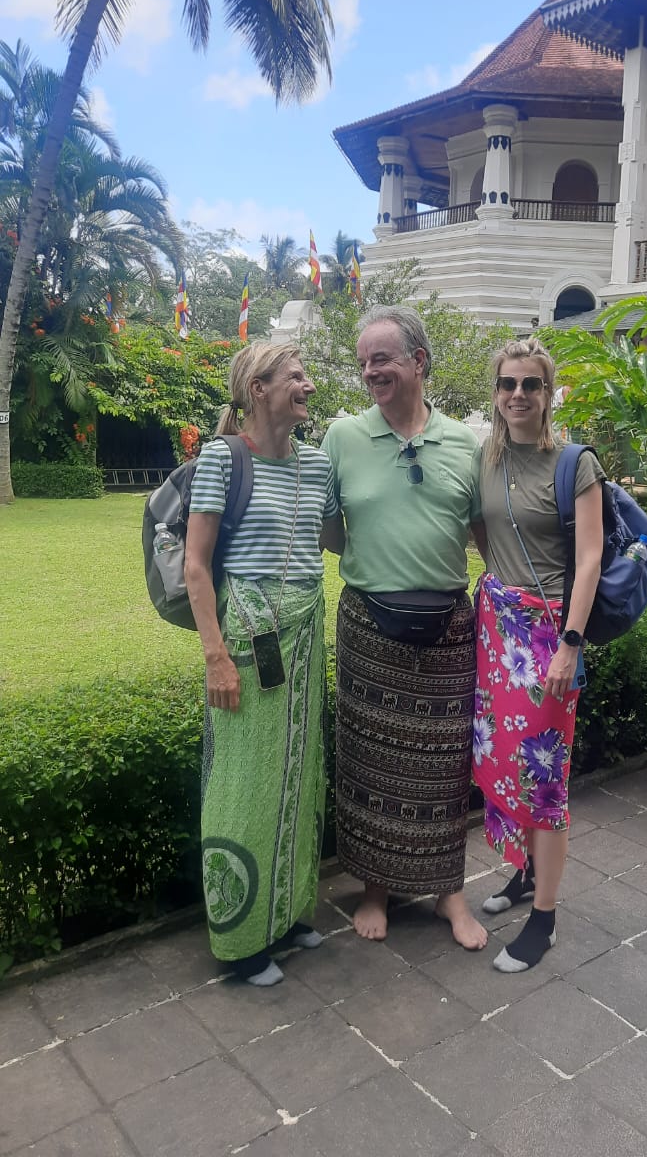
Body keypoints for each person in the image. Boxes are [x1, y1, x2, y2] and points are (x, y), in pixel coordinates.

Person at [321, 306, 488, 950]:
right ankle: (374, 890)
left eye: (383, 359)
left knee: (445, 768)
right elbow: (328, 527)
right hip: (370, 623)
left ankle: (450, 894)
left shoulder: (463, 444)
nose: (371, 372)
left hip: (447, 628)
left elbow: (482, 533)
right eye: (364, 362)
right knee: (369, 765)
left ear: (419, 361)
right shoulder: (343, 439)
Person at [184, 342, 338, 986]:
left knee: (301, 777)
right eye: (294, 377)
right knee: (243, 785)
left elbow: (336, 539)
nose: (306, 385)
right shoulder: (223, 458)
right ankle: (242, 939)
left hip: (303, 637)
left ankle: (289, 913)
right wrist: (215, 655)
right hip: (246, 641)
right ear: (258, 389)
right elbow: (196, 564)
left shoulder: (320, 464)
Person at [473, 339, 603, 972]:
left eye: (531, 384)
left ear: (548, 394)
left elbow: (590, 560)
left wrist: (569, 645)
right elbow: (482, 531)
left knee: (543, 778)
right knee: (504, 764)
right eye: (508, 384)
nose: (518, 395)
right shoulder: (487, 461)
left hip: (550, 636)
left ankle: (544, 919)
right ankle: (522, 875)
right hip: (496, 634)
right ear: (495, 393)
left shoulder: (574, 463)